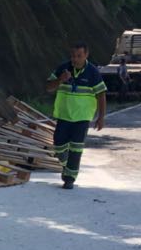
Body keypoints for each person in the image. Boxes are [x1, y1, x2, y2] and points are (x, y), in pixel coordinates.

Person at [44, 41, 107, 190]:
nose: (75, 59)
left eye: (79, 56)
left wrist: (101, 117)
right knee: (59, 145)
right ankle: (65, 164)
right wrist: (60, 80)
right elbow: (48, 88)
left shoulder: (93, 72)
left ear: (86, 55)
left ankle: (69, 178)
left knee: (76, 149)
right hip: (64, 115)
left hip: (82, 117)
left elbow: (101, 95)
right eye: (73, 55)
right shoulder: (63, 68)